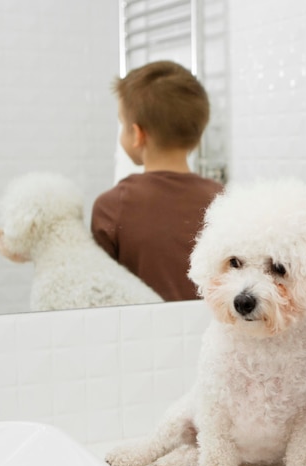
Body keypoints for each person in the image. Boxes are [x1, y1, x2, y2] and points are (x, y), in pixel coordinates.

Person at [91, 60, 223, 301]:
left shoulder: (111, 207)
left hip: (139, 335)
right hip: (209, 334)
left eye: (122, 124)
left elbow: (98, 291)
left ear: (138, 134)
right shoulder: (224, 200)